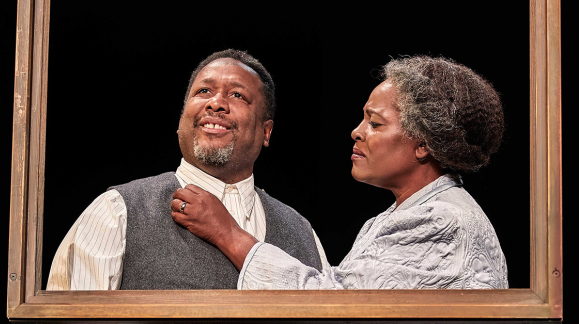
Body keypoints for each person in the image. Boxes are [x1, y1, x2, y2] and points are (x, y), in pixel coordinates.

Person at [171, 56, 509, 289]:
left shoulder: (441, 220)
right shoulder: (404, 214)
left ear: (423, 144)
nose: (357, 132)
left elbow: (336, 304)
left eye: (375, 123)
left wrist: (228, 233)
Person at [46, 49, 326, 290]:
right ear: (181, 120)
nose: (215, 102)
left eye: (237, 95)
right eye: (204, 91)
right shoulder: (117, 212)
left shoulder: (302, 233)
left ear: (267, 132)